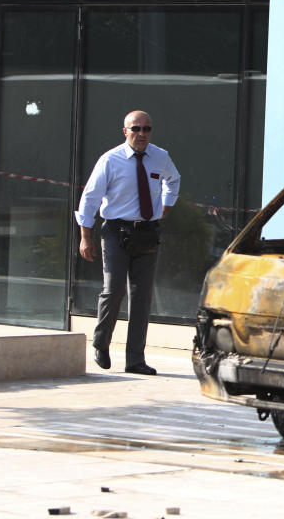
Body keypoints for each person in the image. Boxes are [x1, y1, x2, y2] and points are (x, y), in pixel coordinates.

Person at [75, 110, 181, 375]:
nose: (141, 134)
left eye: (147, 129)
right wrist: (85, 237)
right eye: (136, 129)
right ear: (125, 131)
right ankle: (101, 344)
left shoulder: (160, 156)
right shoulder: (110, 160)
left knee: (142, 297)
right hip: (115, 232)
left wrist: (167, 205)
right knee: (113, 290)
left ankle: (135, 359)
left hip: (147, 232)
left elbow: (174, 179)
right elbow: (89, 199)